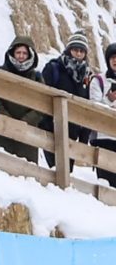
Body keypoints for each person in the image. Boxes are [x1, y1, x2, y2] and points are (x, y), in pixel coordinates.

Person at [41, 32, 94, 170]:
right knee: (54, 169)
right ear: (69, 49)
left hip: (73, 133)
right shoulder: (54, 68)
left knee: (66, 172)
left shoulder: (86, 76)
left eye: (81, 51)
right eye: (75, 49)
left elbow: (88, 106)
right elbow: (41, 94)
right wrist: (44, 123)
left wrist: (83, 138)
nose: (78, 53)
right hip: (51, 127)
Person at [0, 35, 45, 165]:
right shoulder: (2, 72)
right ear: (12, 53)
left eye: (24, 53)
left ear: (30, 55)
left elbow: (42, 106)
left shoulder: (37, 78)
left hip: (27, 135)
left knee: (25, 175)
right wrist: (6, 118)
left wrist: (25, 122)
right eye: (18, 52)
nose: (21, 56)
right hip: (2, 129)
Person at [89, 43, 116, 186]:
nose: (115, 60)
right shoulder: (98, 80)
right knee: (105, 182)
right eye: (112, 57)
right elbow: (94, 106)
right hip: (103, 137)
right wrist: (109, 99)